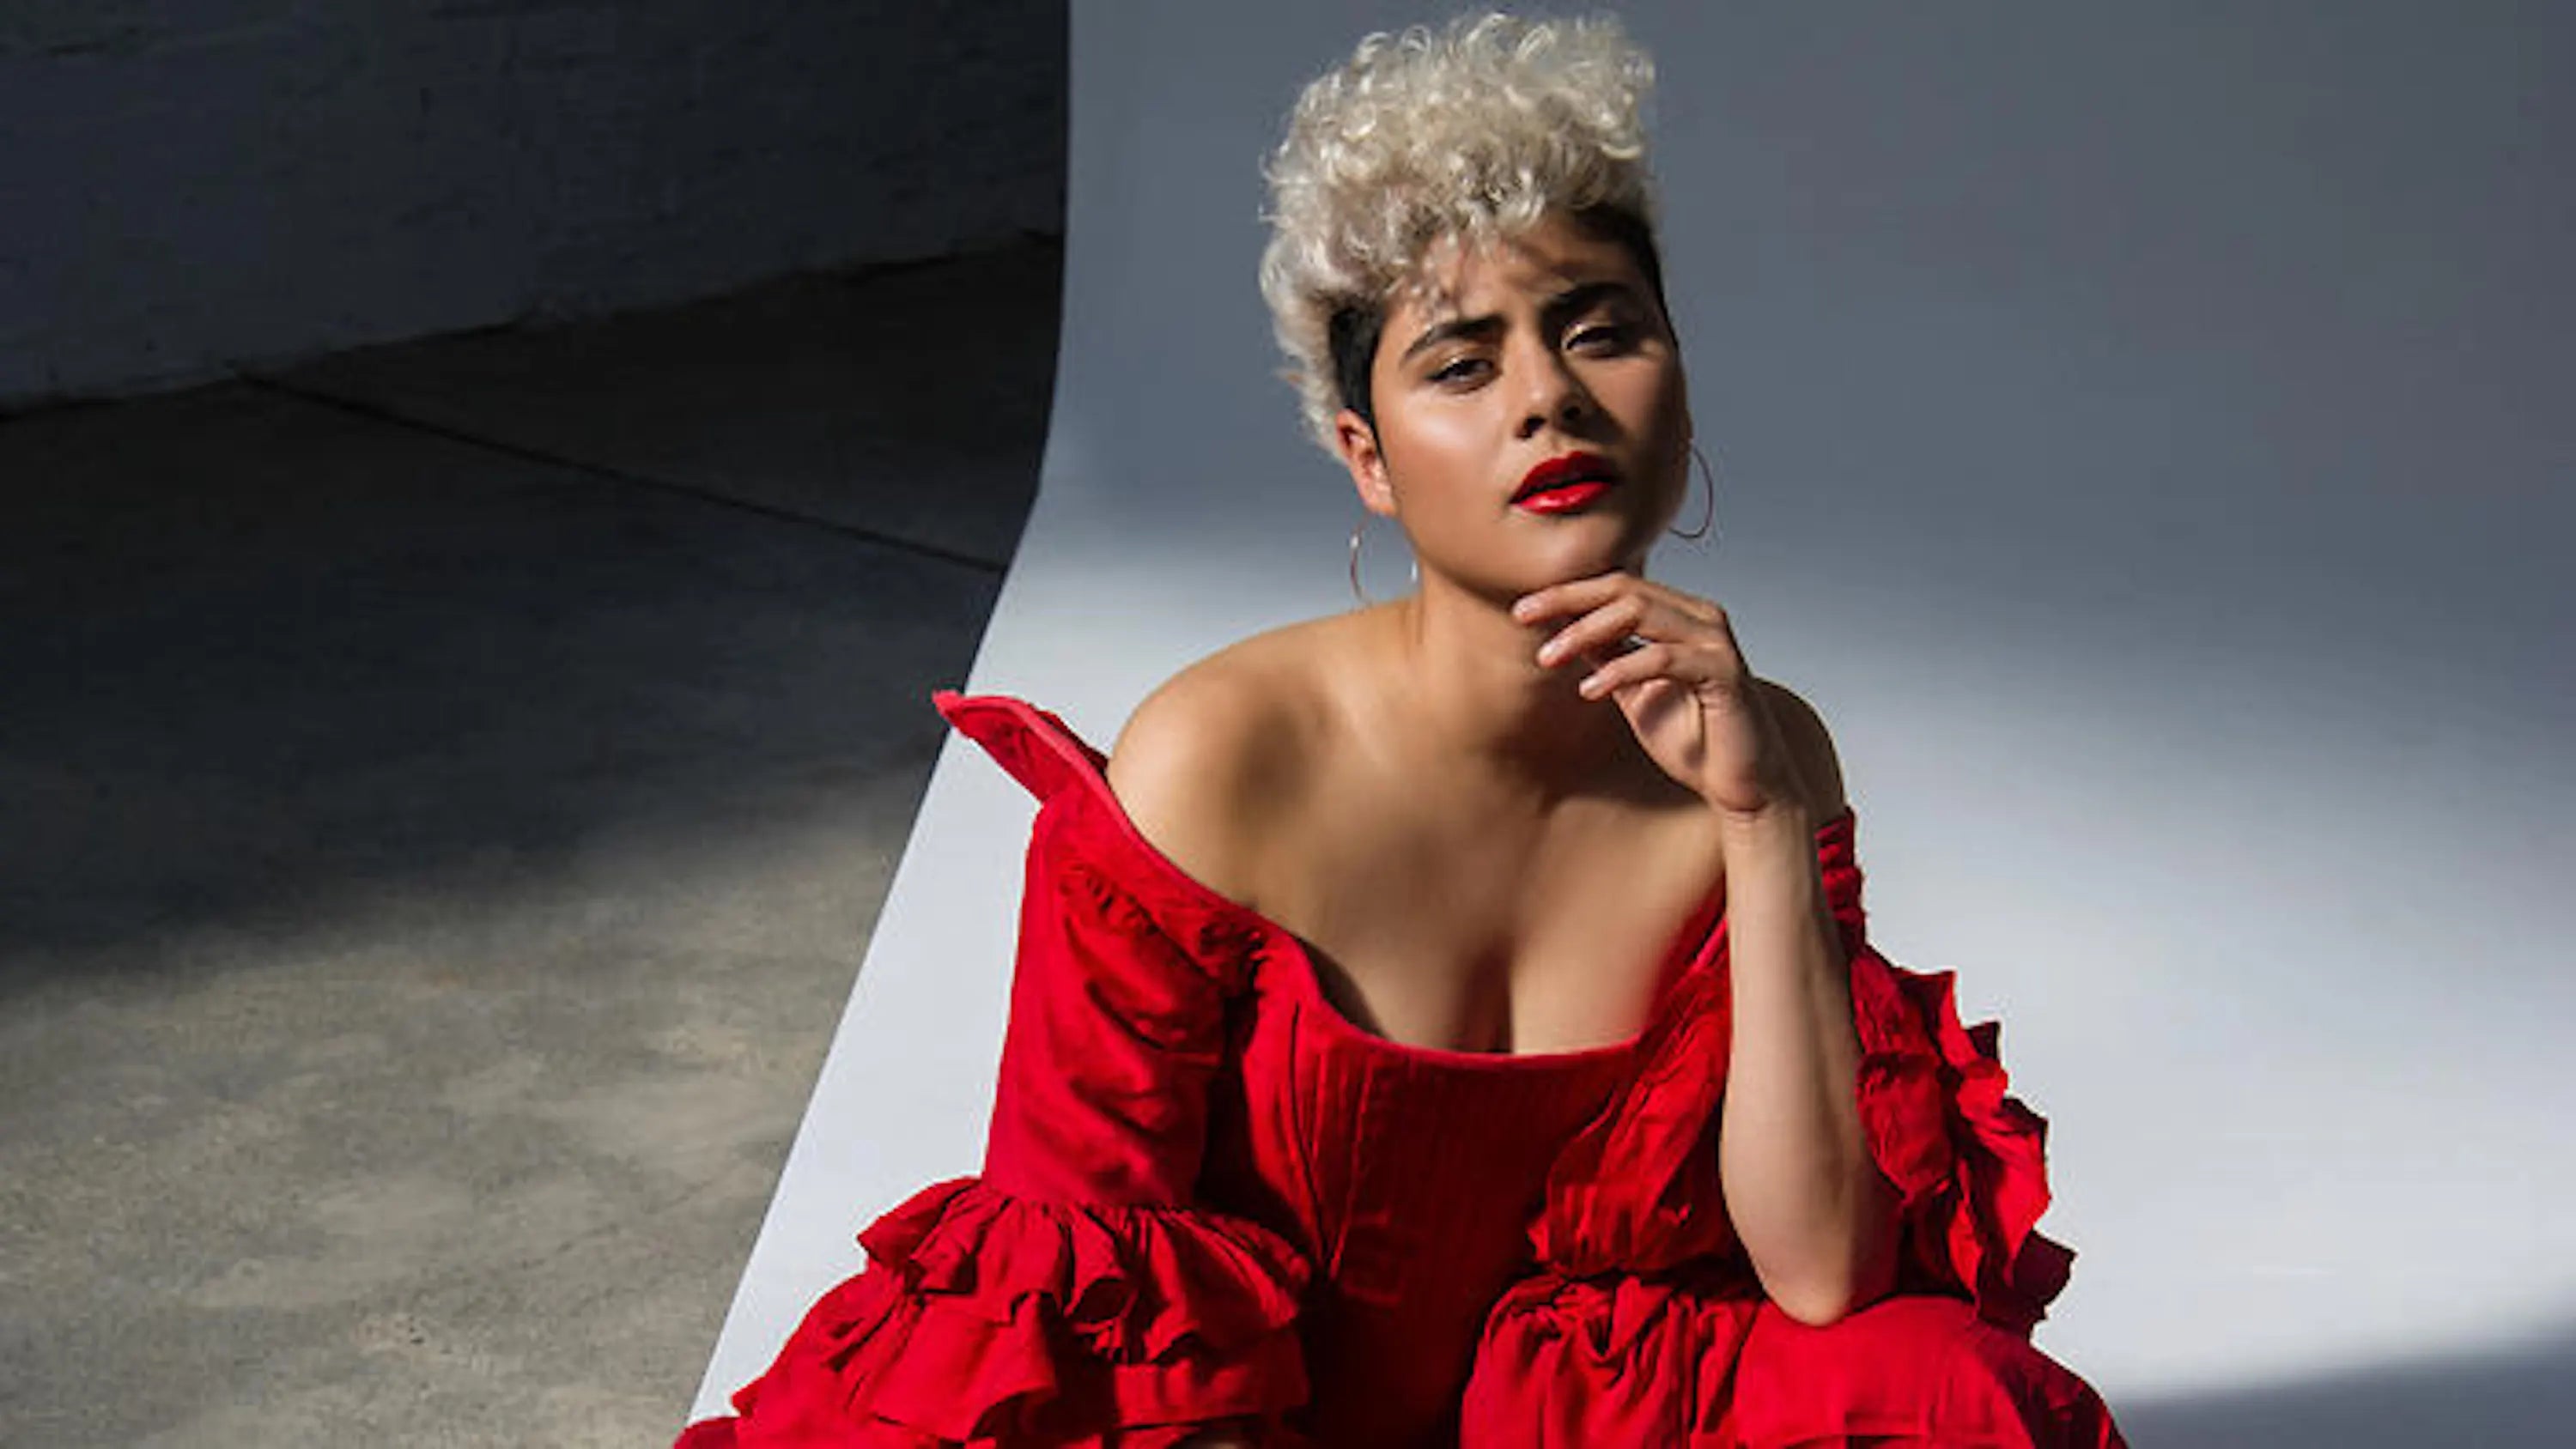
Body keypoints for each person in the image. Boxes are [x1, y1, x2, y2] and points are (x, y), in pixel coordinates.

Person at [678, 12, 2126, 1447]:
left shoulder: (1762, 751)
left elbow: (1821, 1277)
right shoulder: (1219, 760)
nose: (1550, 397)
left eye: (1601, 333)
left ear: (1679, 392)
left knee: (1967, 1402)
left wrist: (1760, 824)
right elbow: (1089, 1321)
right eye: (1461, 364)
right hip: (1222, 1429)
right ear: (1366, 459)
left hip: (1558, 1421)